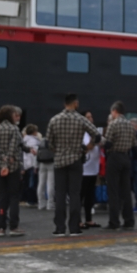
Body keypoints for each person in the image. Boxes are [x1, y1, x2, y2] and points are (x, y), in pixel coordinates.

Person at [46, 94, 102, 237]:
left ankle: (59, 228)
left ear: (65, 103)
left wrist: (57, 150)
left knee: (60, 194)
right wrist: (87, 147)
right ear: (76, 104)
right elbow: (96, 135)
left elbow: (48, 142)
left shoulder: (54, 119)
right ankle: (74, 227)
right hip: (76, 159)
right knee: (75, 194)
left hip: (59, 161)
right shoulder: (81, 119)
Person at [0, 105, 28, 237]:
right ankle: (13, 226)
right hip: (12, 167)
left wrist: (2, 158)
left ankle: (1, 227)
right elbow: (13, 147)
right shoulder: (14, 129)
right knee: (14, 196)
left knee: (1, 197)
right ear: (9, 115)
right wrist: (8, 160)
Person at [103, 101, 137, 230]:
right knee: (126, 191)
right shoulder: (130, 126)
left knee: (113, 191)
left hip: (114, 157)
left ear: (114, 111)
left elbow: (108, 143)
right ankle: (129, 220)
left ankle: (114, 222)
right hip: (126, 157)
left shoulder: (113, 124)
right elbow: (135, 145)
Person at [80, 114, 102, 229]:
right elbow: (81, 148)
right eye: (88, 117)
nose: (91, 119)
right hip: (83, 169)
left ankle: (89, 219)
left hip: (93, 169)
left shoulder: (94, 133)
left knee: (90, 196)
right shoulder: (80, 132)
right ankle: (78, 220)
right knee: (80, 196)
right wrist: (91, 144)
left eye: (91, 117)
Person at [22, 124, 41, 206]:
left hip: (26, 164)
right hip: (32, 165)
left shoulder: (24, 140)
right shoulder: (34, 141)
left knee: (27, 183)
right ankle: (32, 200)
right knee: (33, 183)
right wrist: (35, 166)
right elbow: (34, 155)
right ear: (34, 132)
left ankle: (29, 200)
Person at [36, 135, 56, 211]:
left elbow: (38, 152)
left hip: (42, 163)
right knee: (50, 184)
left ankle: (41, 204)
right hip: (51, 163)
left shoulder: (42, 141)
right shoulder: (54, 140)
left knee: (41, 183)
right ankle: (50, 204)